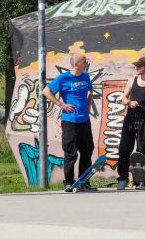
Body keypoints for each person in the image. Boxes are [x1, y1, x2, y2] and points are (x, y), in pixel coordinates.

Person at [42, 53, 94, 192]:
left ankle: (84, 181)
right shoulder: (64, 78)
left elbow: (90, 92)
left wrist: (88, 106)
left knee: (87, 151)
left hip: (85, 120)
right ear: (77, 64)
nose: (86, 63)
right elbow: (46, 91)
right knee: (71, 152)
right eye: (85, 61)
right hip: (70, 121)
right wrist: (61, 104)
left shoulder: (86, 76)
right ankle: (69, 182)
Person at [117, 57, 145, 190]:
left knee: (141, 151)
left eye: (139, 66)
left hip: (144, 120)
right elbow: (123, 97)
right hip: (130, 118)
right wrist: (129, 102)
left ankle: (139, 180)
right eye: (136, 66)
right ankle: (123, 179)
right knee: (124, 149)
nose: (136, 68)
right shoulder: (132, 80)